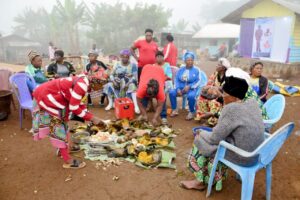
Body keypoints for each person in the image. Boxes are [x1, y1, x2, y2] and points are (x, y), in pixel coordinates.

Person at [180, 76, 264, 191]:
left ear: (232, 96)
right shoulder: (252, 103)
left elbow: (214, 138)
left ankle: (200, 181)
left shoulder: (231, 109)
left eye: (224, 94)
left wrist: (201, 132)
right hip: (257, 153)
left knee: (200, 140)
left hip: (243, 157)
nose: (222, 96)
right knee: (212, 142)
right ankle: (211, 177)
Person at [32, 74, 104, 169]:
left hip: (54, 96)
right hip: (47, 98)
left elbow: (79, 102)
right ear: (94, 84)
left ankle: (63, 148)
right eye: (98, 87)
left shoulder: (85, 82)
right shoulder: (82, 85)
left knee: (63, 126)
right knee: (59, 129)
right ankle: (67, 160)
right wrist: (92, 118)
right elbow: (74, 107)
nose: (97, 90)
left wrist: (90, 115)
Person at [195, 58, 231, 125]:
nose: (216, 66)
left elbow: (225, 90)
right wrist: (209, 88)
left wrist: (215, 89)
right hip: (213, 94)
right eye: (217, 64)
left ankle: (212, 120)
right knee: (201, 99)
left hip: (223, 97)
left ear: (223, 68)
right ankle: (202, 116)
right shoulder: (215, 74)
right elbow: (209, 84)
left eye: (218, 65)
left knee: (214, 102)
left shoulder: (228, 77)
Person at [104, 49, 139, 113]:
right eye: (123, 56)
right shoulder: (117, 64)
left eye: (127, 57)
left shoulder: (133, 65)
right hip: (117, 83)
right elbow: (111, 74)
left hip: (128, 83)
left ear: (129, 57)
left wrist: (128, 83)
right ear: (121, 57)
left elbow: (135, 77)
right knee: (108, 85)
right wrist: (114, 81)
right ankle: (111, 104)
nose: (125, 58)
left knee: (132, 86)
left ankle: (136, 106)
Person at [169, 51, 201, 120]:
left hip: (191, 88)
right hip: (180, 87)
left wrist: (190, 86)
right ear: (185, 61)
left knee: (191, 96)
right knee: (172, 92)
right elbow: (176, 79)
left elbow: (198, 81)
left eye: (191, 60)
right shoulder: (180, 70)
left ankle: (192, 112)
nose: (190, 62)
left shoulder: (196, 70)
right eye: (188, 60)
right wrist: (177, 89)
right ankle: (174, 109)